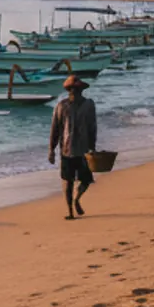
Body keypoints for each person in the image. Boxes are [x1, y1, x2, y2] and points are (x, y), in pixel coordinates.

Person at [48, 74, 98, 220]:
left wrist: (92, 147)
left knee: (86, 180)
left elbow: (92, 126)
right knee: (68, 181)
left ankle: (76, 199)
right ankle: (70, 210)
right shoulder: (61, 106)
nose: (74, 92)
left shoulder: (89, 104)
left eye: (77, 89)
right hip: (67, 150)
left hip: (82, 150)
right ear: (69, 90)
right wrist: (51, 149)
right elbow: (55, 129)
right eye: (72, 89)